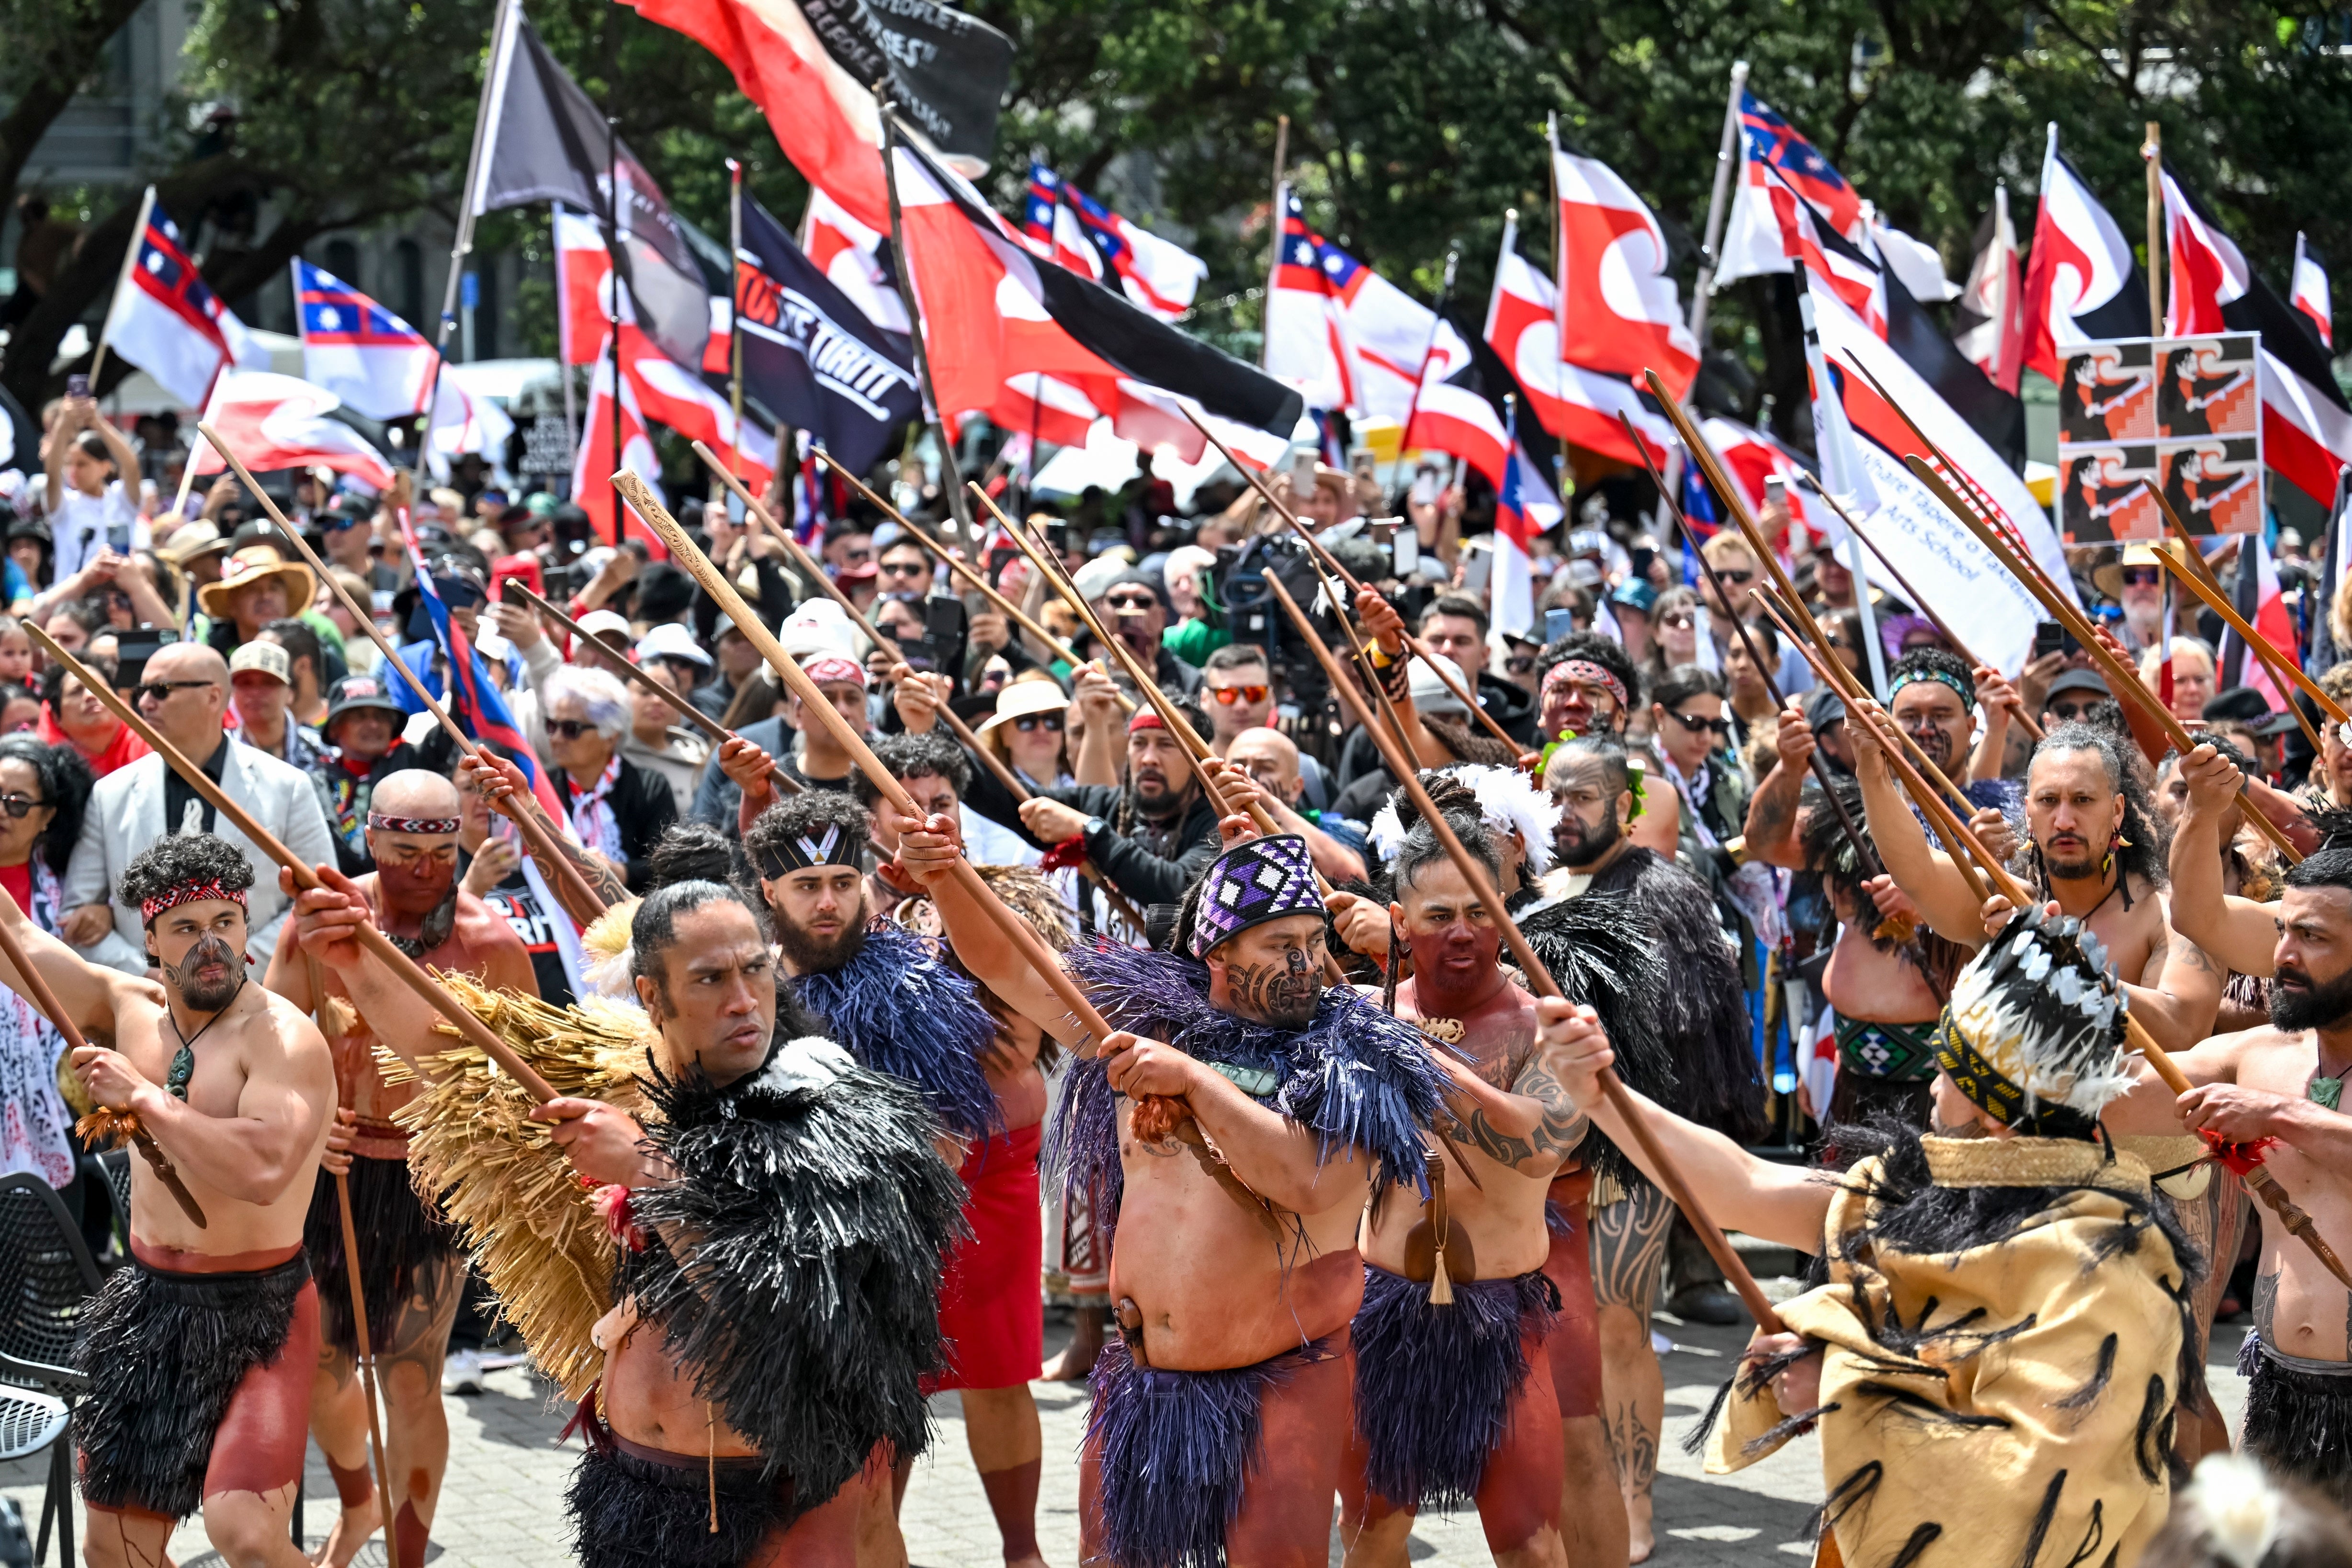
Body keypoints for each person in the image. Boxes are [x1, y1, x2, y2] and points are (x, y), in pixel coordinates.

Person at [286, 869, 963, 1567]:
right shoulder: (627, 1080)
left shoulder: (830, 1112)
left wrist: (647, 1168)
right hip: (637, 1486)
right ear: (652, 996)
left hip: (786, 1501)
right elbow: (455, 1057)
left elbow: (785, 1310)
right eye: (709, 978)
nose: (743, 1000)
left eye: (756, 969)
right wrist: (352, 957)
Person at [1543, 904, 2194, 1567]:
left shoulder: (2108, 1258)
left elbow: (2030, 1489)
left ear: (1994, 1111)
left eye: (1949, 1063)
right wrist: (1602, 1096)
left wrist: (1839, 1385)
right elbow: (1742, 1184)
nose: (1932, 1080)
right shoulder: (1916, 1190)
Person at [891, 819, 1442, 1568]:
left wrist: (1194, 1082)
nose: (1310, 965)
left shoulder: (1356, 1052)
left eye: (1316, 943)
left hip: (1284, 1377)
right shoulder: (1146, 1019)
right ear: (1216, 952)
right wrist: (947, 875)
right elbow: (1015, 968)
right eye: (1282, 946)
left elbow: (1311, 1180)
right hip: (1144, 1378)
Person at [4, 834, 336, 1568]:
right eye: (187, 927)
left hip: (262, 1308)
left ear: (248, 927)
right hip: (150, 1302)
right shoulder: (126, 1005)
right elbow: (15, 936)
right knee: (114, 1547)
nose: (210, 942)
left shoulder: (284, 1037)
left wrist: (146, 1098)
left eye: (226, 921)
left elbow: (264, 1167)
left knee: (244, 1532)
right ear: (149, 938)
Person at [263, 771, 538, 1568]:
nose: (424, 869)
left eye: (441, 851)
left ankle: (407, 1561)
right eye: (404, 850)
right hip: (332, 1176)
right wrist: (310, 1130)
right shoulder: (318, 921)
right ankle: (359, 1506)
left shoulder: (489, 942)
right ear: (371, 840)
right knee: (316, 1367)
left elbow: (519, 1079)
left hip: (430, 1183)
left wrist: (459, 1143)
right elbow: (273, 1042)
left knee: (410, 1379)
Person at [1516, 736, 1763, 1559]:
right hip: (1542, 1153)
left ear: (1623, 804)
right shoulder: (1531, 890)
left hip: (1624, 1147)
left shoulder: (1663, 891)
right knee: (1551, 1325)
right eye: (1555, 793)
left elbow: (1692, 1034)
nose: (1566, 811)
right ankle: (1563, 1482)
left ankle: (1632, 1499)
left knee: (1622, 1321)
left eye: (1584, 795)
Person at [1338, 815, 1607, 1568]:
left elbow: (1537, 1148)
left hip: (1502, 1318)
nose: (1463, 931)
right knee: (1372, 1532)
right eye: (1439, 915)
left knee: (1530, 1545)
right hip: (1381, 1309)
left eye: (1481, 910)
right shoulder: (1364, 1014)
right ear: (1400, 921)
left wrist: (1421, 1053)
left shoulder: (1548, 1028)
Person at [60, 643, 339, 974]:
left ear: (213, 696)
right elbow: (78, 916)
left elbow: (318, 901)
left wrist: (231, 969)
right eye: (142, 691)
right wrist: (148, 975)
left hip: (260, 999)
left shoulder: (288, 786)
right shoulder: (111, 793)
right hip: (148, 1003)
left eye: (161, 690)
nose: (145, 703)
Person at [0, 734, 90, 1187]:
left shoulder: (70, 896)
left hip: (57, 1093)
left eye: (16, 803)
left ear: (48, 815)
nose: (1, 811)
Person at [543, 665, 676, 891]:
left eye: (570, 729)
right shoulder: (542, 788)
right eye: (552, 726)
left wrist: (618, 872)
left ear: (610, 737)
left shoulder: (650, 787)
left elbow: (669, 864)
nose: (556, 738)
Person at [317, 674, 423, 876]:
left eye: (381, 717)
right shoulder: (316, 782)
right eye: (360, 717)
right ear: (334, 729)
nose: (374, 725)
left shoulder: (414, 765)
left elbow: (449, 735)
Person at [41, 395, 146, 583]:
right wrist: (64, 423)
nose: (74, 471)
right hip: (76, 603)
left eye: (82, 464)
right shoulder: (65, 505)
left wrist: (98, 422)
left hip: (120, 599)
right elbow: (52, 473)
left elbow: (132, 466)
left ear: (105, 467)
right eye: (70, 464)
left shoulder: (121, 499)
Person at [1417, 594, 1538, 745]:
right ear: (1416, 649)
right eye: (1437, 640)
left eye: (1462, 642)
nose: (1447, 649)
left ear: (1484, 656)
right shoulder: (1392, 720)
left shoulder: (1524, 734)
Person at [37, 649, 149, 777]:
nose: (90, 696)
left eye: (98, 687)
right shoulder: (46, 771)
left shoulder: (154, 748)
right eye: (76, 691)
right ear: (56, 717)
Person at [227, 641, 327, 775]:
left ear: (290, 693)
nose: (256, 692)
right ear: (232, 693)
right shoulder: (220, 750)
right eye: (245, 683)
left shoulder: (321, 751)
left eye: (269, 683)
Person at [197, 545, 315, 655]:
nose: (266, 596)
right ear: (232, 604)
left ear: (287, 598)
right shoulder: (213, 657)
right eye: (252, 590)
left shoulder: (313, 654)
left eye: (274, 588)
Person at [973, 674, 1074, 792]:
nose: (1042, 730)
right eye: (1027, 721)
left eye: (1053, 719)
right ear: (1004, 734)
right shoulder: (986, 797)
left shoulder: (1087, 789)